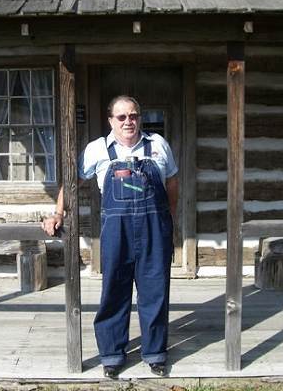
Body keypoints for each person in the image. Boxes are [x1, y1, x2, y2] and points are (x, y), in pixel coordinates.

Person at [42, 95, 178, 378]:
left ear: (140, 117)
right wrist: (58, 213)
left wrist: (169, 220)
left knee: (155, 292)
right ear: (110, 121)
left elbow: (172, 183)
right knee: (114, 291)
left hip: (155, 229)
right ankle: (112, 355)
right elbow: (72, 182)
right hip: (117, 232)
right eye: (122, 117)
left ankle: (155, 353)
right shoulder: (98, 149)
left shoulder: (158, 145)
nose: (129, 121)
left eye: (134, 115)